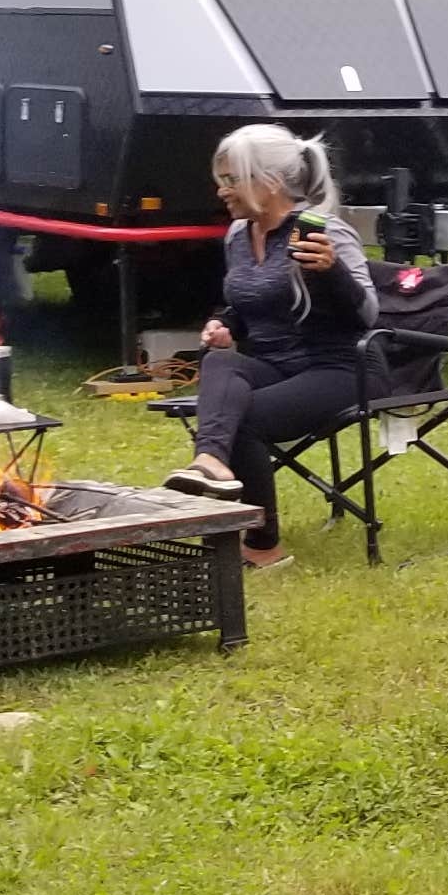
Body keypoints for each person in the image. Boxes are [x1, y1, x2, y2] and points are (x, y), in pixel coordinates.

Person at [164, 124, 374, 569]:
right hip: (275, 363)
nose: (222, 190)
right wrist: (224, 323)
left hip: (339, 367)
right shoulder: (238, 235)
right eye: (220, 179)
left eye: (232, 179)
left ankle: (264, 548)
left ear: (270, 182)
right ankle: (210, 462)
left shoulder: (321, 232)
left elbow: (366, 318)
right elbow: (246, 302)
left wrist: (332, 271)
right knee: (221, 363)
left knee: (244, 418)